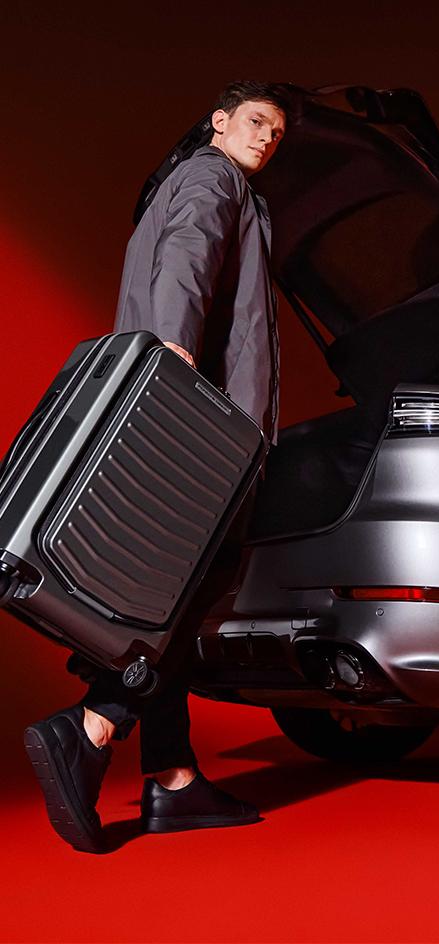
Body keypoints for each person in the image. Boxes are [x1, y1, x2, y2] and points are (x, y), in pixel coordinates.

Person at [24, 81, 288, 853]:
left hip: (175, 415)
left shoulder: (193, 178)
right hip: (198, 425)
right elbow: (190, 251)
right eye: (256, 121)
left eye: (277, 131)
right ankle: (92, 725)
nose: (267, 137)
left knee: (164, 590)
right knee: (193, 587)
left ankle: (173, 780)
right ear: (220, 121)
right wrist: (172, 346)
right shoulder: (214, 178)